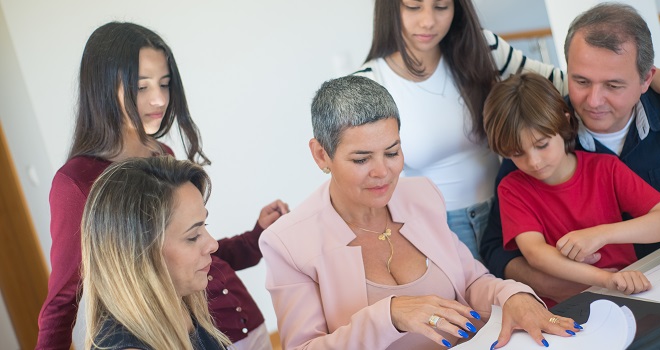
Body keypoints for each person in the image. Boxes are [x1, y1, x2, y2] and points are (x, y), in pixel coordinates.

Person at [354, 0, 660, 260]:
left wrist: (654, 79)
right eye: (413, 6)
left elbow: (568, 85)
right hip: (436, 224)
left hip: (506, 207)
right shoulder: (369, 83)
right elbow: (367, 170)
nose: (428, 20)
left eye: (442, 6)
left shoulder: (481, 47)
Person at [260, 75, 581, 350]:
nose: (382, 172)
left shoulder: (422, 195)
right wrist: (390, 315)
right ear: (321, 155)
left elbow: (471, 281)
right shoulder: (287, 243)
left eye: (392, 152)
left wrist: (513, 295)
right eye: (361, 159)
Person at [480, 3, 660, 304]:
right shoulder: (539, 134)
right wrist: (557, 284)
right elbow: (495, 247)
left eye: (613, 85)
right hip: (587, 301)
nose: (593, 101)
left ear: (647, 80)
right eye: (581, 81)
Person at [36, 22, 287, 350]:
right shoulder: (78, 182)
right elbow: (63, 300)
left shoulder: (161, 154)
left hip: (230, 326)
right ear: (102, 86)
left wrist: (255, 238)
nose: (159, 99)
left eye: (165, 84)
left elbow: (186, 247)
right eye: (142, 87)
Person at [483, 73, 660, 307]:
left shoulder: (605, 169)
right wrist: (606, 279)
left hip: (629, 296)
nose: (533, 162)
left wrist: (600, 234)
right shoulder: (512, 189)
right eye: (517, 153)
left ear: (565, 122)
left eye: (542, 145)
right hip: (565, 309)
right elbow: (535, 253)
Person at [82, 156, 229, 349]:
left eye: (205, 225)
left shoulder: (181, 309)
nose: (213, 244)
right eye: (193, 236)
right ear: (140, 254)